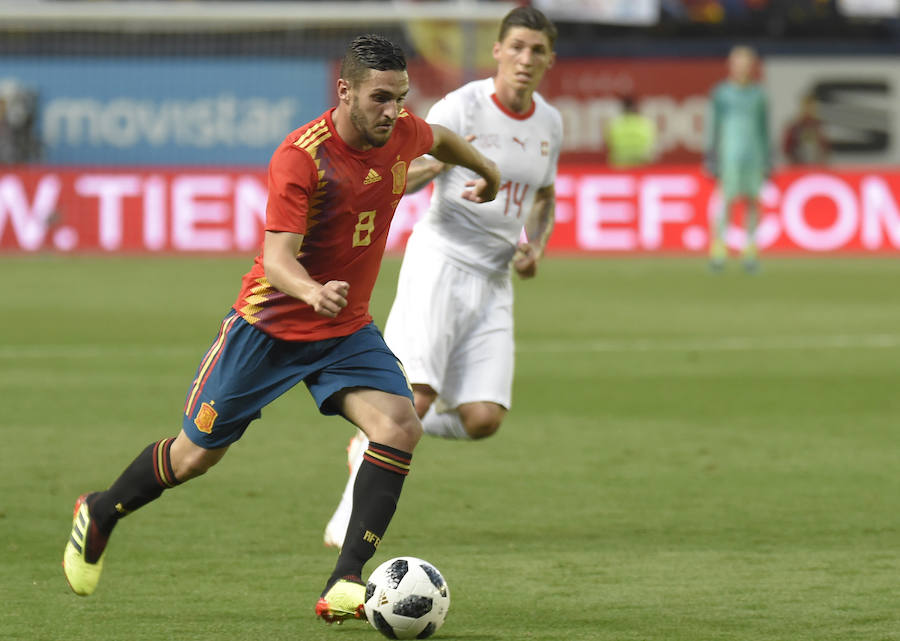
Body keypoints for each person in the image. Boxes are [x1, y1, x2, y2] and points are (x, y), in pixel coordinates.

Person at [62, 34, 500, 625]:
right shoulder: (302, 157)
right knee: (193, 458)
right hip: (267, 328)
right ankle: (100, 511)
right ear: (344, 91)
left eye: (400, 97)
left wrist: (487, 169)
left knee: (399, 425)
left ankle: (344, 580)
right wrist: (312, 291)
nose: (393, 110)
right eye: (379, 98)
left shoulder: (400, 131)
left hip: (343, 330)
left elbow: (441, 139)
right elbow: (276, 261)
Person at [323, 6, 562, 549]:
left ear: (550, 59)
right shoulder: (464, 105)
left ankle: (371, 441)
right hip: (442, 259)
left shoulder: (550, 121)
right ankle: (348, 517)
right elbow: (398, 175)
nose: (526, 59)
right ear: (497, 51)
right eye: (517, 47)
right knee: (419, 394)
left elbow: (544, 196)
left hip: (495, 277)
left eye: (537, 50)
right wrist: (455, 165)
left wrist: (535, 248)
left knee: (483, 418)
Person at [705, 44, 770, 272]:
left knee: (753, 201)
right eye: (738, 63)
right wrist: (711, 155)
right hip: (729, 154)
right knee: (726, 200)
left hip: (754, 155)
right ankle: (718, 248)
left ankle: (750, 249)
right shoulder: (721, 94)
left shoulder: (759, 95)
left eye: (746, 63)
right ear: (730, 66)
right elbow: (713, 126)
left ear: (752, 67)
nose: (742, 68)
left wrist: (768, 158)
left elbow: (764, 129)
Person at [605, 94, 656, 168]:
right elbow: (651, 148)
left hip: (619, 168)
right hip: (641, 167)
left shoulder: (614, 125)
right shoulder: (646, 124)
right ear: (637, 108)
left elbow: (608, 144)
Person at [782, 92, 829, 165]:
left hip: (817, 167)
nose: (809, 109)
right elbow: (787, 149)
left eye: (811, 106)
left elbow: (825, 149)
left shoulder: (818, 126)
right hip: (798, 167)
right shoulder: (794, 127)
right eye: (806, 106)